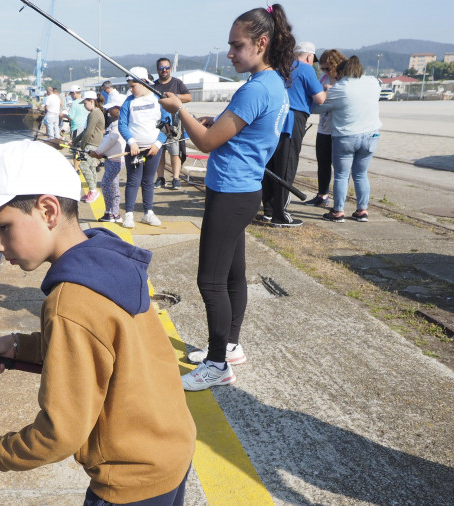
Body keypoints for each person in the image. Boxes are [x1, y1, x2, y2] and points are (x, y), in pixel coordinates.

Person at [0, 139, 196, 505]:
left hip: (129, 479)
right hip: (168, 451)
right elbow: (100, 346)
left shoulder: (70, 301)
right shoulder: (105, 258)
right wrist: (19, 345)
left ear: (48, 210)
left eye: (3, 228)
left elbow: (61, 431)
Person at [160, 3, 294, 390]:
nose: (231, 53)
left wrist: (179, 109)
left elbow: (203, 141)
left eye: (237, 46)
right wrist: (211, 123)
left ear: (261, 43)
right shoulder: (273, 85)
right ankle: (230, 346)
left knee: (211, 281)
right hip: (244, 190)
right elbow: (232, 132)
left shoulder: (256, 89)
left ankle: (218, 364)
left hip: (231, 193)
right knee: (234, 275)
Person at [261, 40, 326, 227]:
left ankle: (269, 210)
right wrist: (327, 91)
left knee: (271, 166)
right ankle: (281, 214)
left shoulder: (278, 67)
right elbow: (320, 99)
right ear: (309, 56)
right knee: (287, 166)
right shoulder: (306, 69)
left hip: (273, 117)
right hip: (292, 119)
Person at [312, 55, 382, 223]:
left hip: (346, 137)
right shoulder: (372, 82)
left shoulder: (339, 88)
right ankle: (362, 210)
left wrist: (325, 91)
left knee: (342, 175)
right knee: (361, 174)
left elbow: (316, 108)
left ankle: (338, 212)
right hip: (371, 135)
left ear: (341, 72)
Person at [118, 66, 171, 229]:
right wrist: (131, 141)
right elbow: (122, 124)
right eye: (129, 86)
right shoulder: (129, 101)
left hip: (153, 149)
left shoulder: (158, 99)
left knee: (148, 181)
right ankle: (129, 214)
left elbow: (167, 123)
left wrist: (157, 144)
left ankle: (148, 212)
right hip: (134, 149)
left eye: (133, 86)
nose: (130, 89)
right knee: (133, 181)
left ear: (143, 82)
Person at [304, 49, 347, 207]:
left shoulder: (344, 80)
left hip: (338, 129)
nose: (325, 71)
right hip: (324, 127)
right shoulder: (323, 78)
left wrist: (331, 91)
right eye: (323, 69)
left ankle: (339, 201)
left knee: (340, 168)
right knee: (322, 163)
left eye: (328, 68)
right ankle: (322, 195)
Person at [152, 58, 192, 190]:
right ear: (157, 69)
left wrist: (174, 96)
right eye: (162, 68)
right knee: (160, 152)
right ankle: (160, 178)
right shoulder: (153, 85)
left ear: (170, 69)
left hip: (174, 123)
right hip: (158, 124)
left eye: (167, 67)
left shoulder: (177, 83)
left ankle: (176, 178)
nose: (164, 70)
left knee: (175, 152)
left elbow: (188, 97)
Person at [88, 94, 127, 222]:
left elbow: (111, 139)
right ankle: (113, 213)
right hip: (111, 159)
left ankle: (111, 213)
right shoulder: (116, 123)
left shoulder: (118, 124)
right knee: (113, 186)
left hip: (116, 160)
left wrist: (97, 152)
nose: (109, 111)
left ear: (119, 108)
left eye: (111, 108)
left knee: (106, 184)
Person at [74, 91, 105, 203]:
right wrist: (75, 141)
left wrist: (82, 145)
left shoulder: (94, 113)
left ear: (92, 101)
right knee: (91, 167)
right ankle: (93, 191)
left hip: (92, 143)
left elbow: (88, 132)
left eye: (85, 103)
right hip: (94, 143)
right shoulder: (94, 113)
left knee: (84, 166)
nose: (84, 106)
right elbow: (86, 131)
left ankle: (93, 191)